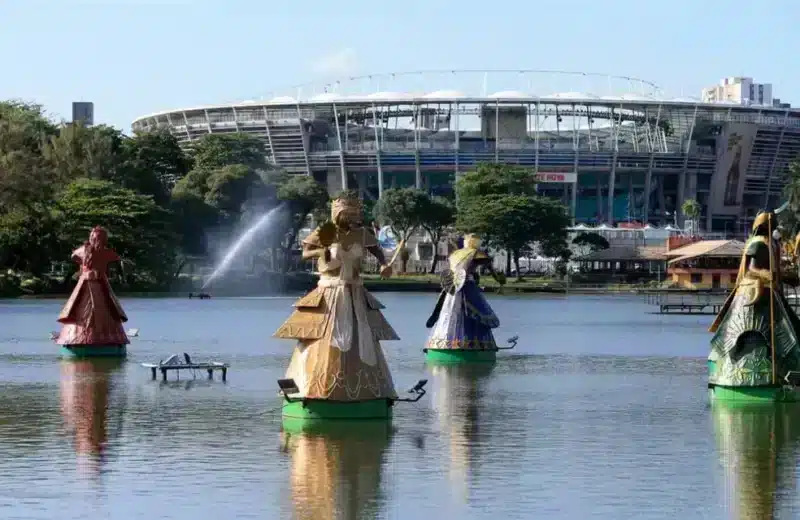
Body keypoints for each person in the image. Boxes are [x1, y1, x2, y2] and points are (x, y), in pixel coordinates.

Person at [274, 192, 399, 401]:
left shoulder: (362, 234)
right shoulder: (326, 231)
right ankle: (318, 388)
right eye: (347, 214)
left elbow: (378, 252)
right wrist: (320, 253)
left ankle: (366, 392)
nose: (351, 219)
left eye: (354, 214)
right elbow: (305, 253)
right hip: (330, 293)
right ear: (337, 213)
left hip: (355, 293)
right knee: (327, 338)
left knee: (361, 339)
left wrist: (385, 265)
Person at [709, 212, 800, 387]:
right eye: (770, 223)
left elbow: (776, 271)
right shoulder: (757, 243)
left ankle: (788, 375)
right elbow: (752, 268)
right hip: (754, 293)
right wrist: (766, 274)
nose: (773, 225)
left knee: (792, 331)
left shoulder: (773, 244)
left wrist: (787, 277)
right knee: (749, 333)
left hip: (772, 295)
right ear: (763, 225)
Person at [425, 233, 506, 351]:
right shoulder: (477, 254)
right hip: (467, 287)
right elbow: (492, 271)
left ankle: (442, 343)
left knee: (449, 313)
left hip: (452, 289)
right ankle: (476, 346)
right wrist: (500, 280)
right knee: (475, 314)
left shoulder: (454, 254)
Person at [56, 226, 129, 348]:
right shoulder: (106, 252)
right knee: (101, 308)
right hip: (98, 283)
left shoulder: (85, 250)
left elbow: (73, 256)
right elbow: (116, 257)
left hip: (90, 282)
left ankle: (80, 338)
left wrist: (82, 264)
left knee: (85, 308)